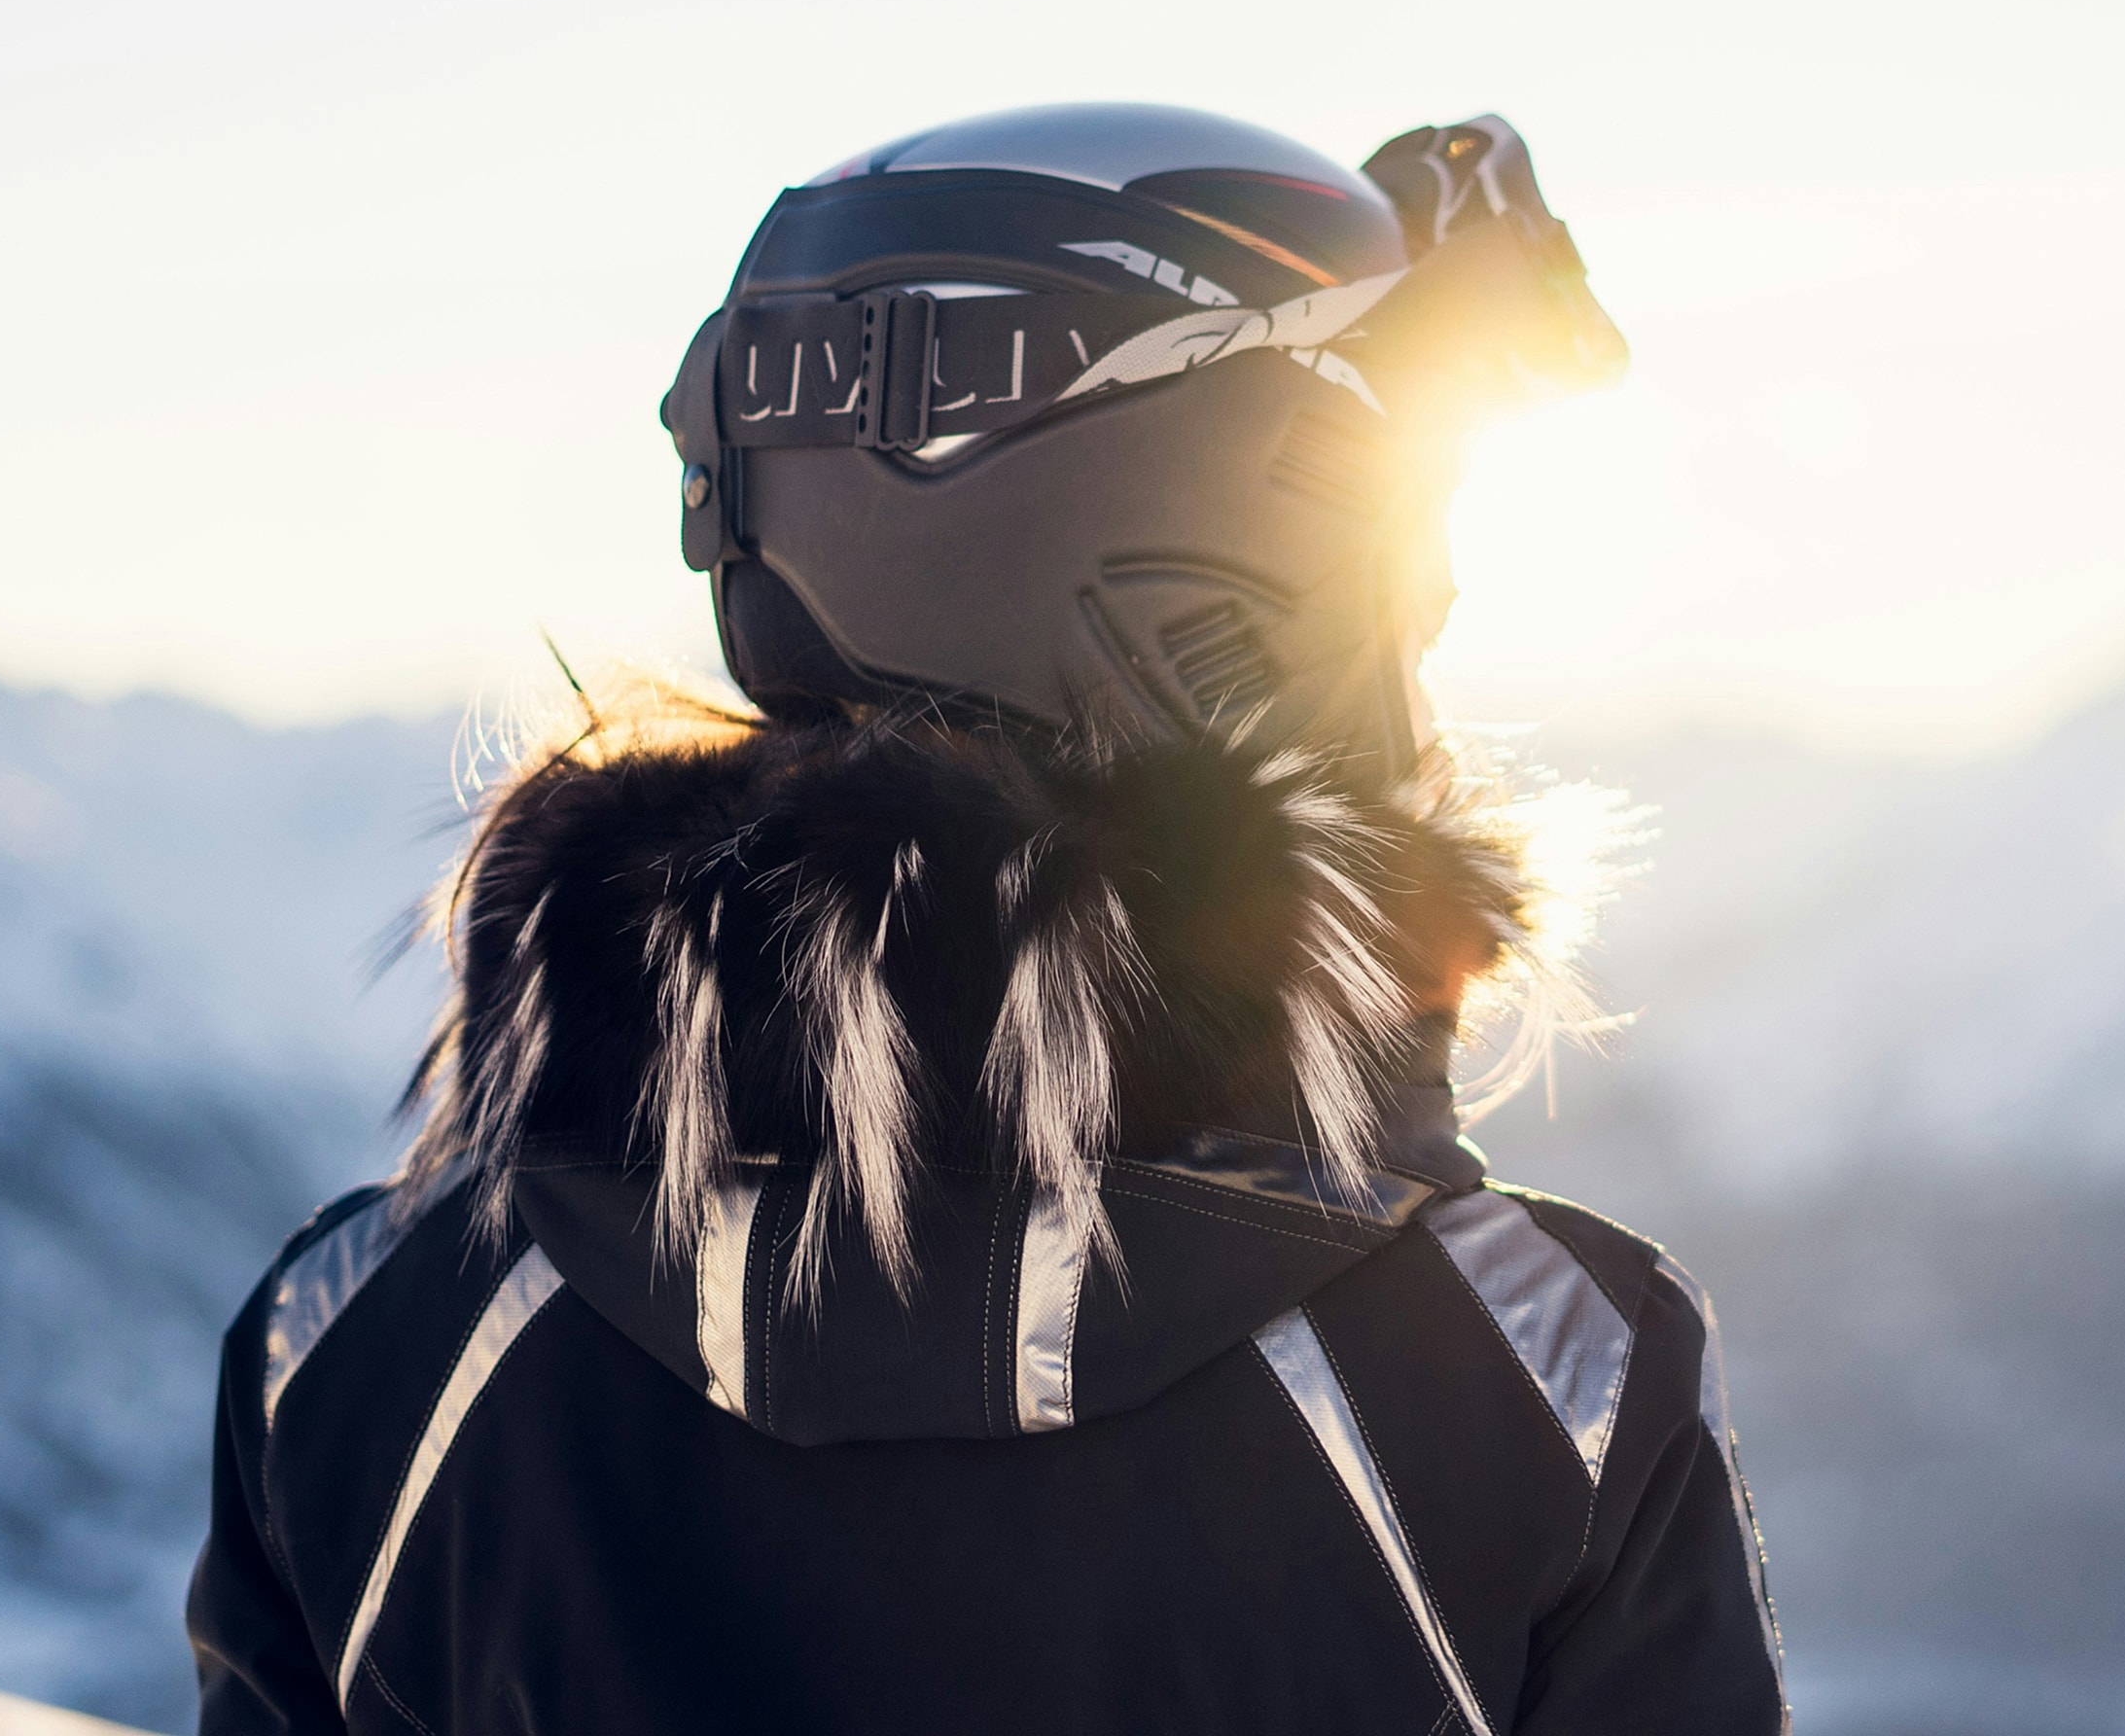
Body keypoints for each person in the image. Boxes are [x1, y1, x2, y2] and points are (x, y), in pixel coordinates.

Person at [187, 103, 1788, 1734]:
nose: (1419, 692)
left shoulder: (356, 1365)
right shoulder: (1538, 1388)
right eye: (1395, 598)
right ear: (1223, 584)